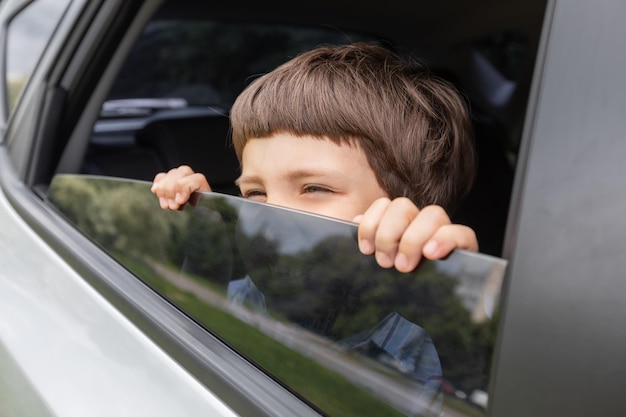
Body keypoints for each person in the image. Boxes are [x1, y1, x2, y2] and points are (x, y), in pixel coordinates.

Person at [151, 41, 478, 272]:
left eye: (314, 188)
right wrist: (199, 226)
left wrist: (461, 283)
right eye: (254, 193)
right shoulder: (256, 286)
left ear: (409, 211)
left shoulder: (425, 324)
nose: (267, 221)